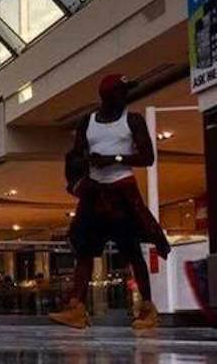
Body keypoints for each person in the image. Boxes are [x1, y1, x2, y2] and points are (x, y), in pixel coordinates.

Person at [50, 74, 171, 330]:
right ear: (107, 96)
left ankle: (148, 308)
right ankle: (77, 307)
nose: (124, 96)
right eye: (120, 92)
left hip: (122, 189)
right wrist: (88, 162)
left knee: (131, 250)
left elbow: (147, 157)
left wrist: (115, 159)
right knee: (84, 250)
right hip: (95, 192)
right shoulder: (88, 121)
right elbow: (75, 156)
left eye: (125, 92)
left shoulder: (133, 120)